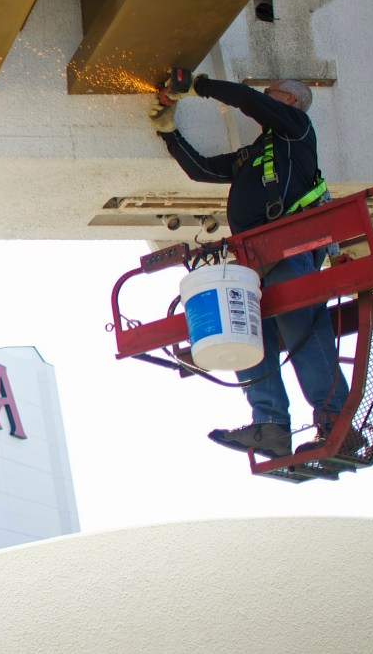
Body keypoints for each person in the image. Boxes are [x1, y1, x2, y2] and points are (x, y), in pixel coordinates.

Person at [149, 75, 348, 458]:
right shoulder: (254, 155)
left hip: (287, 251)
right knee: (248, 338)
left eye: (270, 93)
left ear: (288, 100)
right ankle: (270, 425)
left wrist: (199, 85)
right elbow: (202, 170)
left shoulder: (295, 130)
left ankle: (337, 422)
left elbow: (247, 100)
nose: (264, 97)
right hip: (255, 260)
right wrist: (169, 133)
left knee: (304, 335)